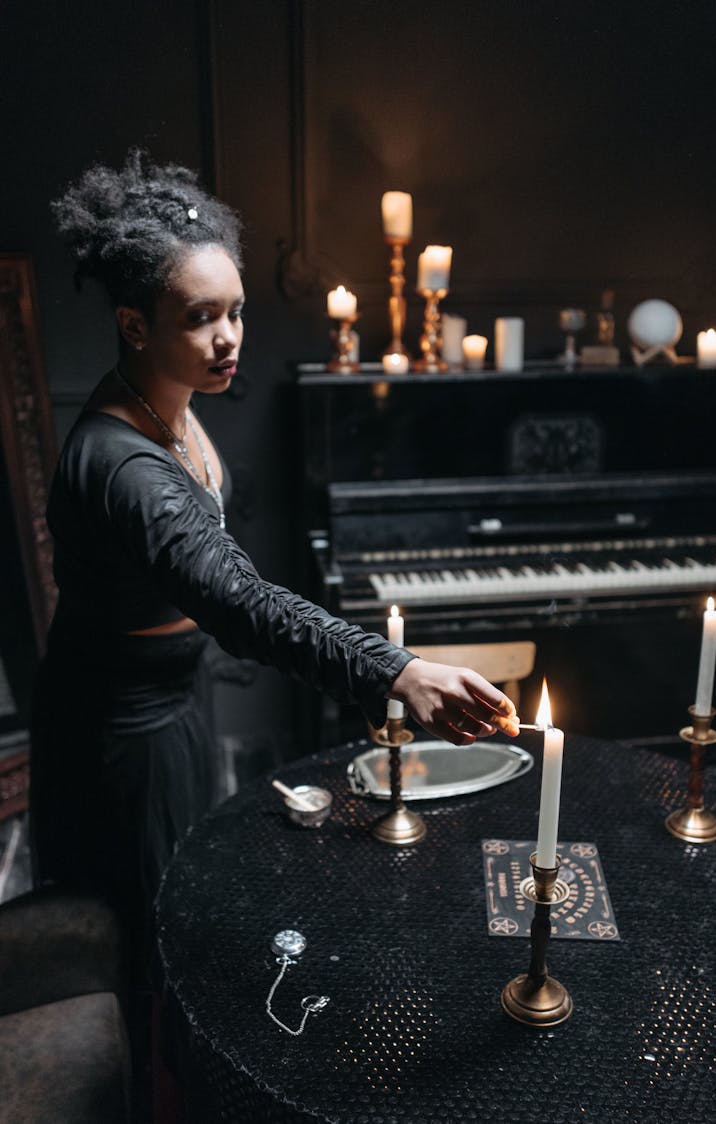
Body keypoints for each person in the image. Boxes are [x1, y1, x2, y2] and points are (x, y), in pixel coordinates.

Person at [30, 150, 520, 985]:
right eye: (199, 318)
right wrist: (394, 670)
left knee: (179, 913)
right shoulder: (123, 466)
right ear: (134, 323)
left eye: (236, 312)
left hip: (174, 702)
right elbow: (237, 597)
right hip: (121, 736)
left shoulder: (172, 400)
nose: (227, 339)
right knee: (146, 950)